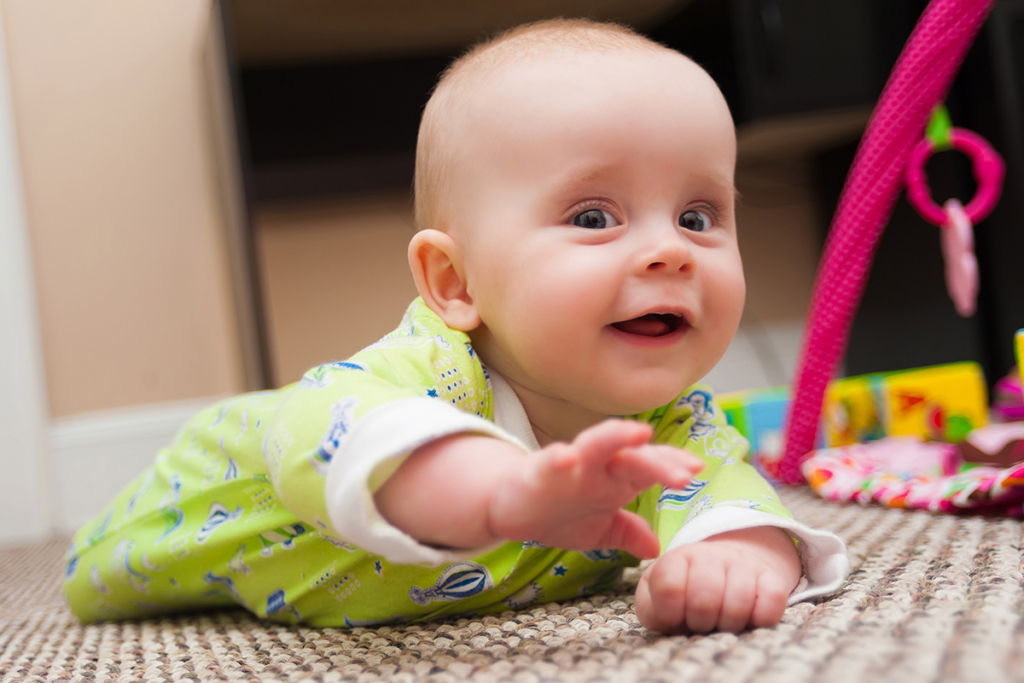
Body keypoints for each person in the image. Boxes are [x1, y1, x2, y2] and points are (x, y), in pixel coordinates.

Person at [64, 18, 848, 634]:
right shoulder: (425, 374)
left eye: (698, 214)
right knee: (88, 577)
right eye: (592, 215)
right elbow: (324, 430)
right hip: (214, 494)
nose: (670, 250)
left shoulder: (671, 429)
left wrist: (735, 559)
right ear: (455, 281)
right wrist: (501, 490)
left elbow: (731, 500)